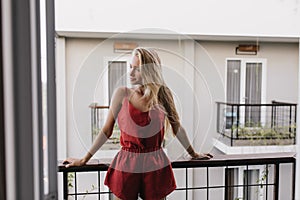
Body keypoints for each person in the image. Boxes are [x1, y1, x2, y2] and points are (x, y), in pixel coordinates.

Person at [64, 47, 213, 200]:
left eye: (137, 69)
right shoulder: (122, 93)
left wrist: (193, 153)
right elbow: (106, 131)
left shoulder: (163, 94)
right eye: (131, 67)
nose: (130, 73)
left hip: (155, 163)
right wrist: (84, 159)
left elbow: (177, 127)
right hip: (127, 162)